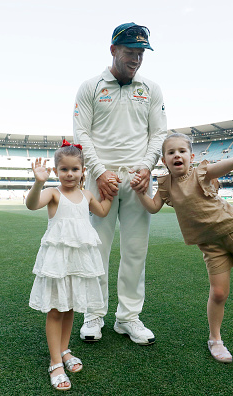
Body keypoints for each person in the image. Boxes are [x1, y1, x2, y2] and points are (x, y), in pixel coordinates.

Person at [131, 132, 233, 363]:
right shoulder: (165, 185)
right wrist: (141, 192)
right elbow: (152, 208)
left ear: (191, 156)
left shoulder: (202, 173)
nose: (176, 155)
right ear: (163, 160)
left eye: (181, 151)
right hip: (210, 244)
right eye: (171, 152)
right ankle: (215, 340)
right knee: (218, 293)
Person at [73, 22, 167, 345]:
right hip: (104, 180)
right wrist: (98, 171)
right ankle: (93, 315)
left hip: (139, 181)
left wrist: (146, 167)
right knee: (97, 249)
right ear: (113, 50)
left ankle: (128, 318)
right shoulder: (90, 87)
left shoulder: (151, 89)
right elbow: (81, 134)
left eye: (141, 53)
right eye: (130, 52)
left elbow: (159, 134)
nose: (137, 59)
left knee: (135, 250)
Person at [25, 142, 113, 391]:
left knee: (71, 306)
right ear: (56, 170)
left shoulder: (86, 196)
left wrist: (111, 195)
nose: (70, 174)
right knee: (55, 310)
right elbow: (32, 204)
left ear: (83, 170)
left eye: (75, 169)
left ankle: (64, 350)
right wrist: (39, 182)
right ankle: (55, 362)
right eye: (64, 169)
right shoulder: (53, 193)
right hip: (57, 262)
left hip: (78, 262)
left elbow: (104, 212)